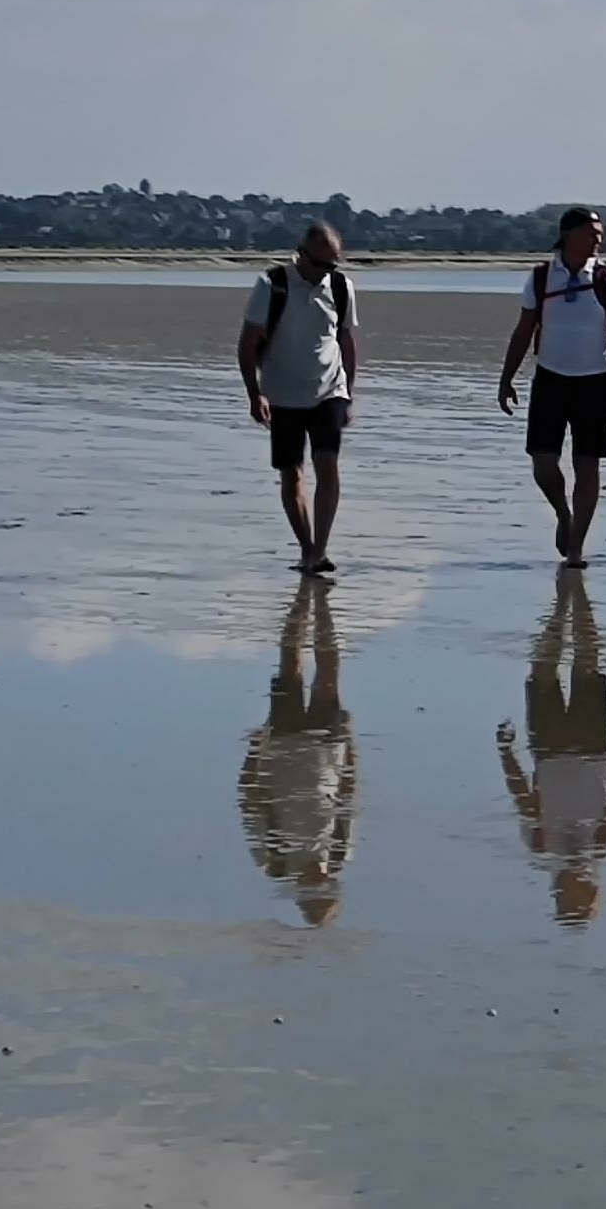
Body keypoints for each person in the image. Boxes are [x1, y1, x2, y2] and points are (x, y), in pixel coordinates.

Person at [495, 568, 606, 926]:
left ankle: (562, 609)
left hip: (547, 748)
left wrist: (506, 755)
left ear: (560, 891)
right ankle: (577, 601)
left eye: (574, 896)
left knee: (542, 670)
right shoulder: (605, 846)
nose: (579, 887)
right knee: (587, 662)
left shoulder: (540, 846)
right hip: (592, 745)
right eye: (586, 895)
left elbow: (523, 798)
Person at [499, 207, 606, 569]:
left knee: (587, 466)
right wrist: (507, 379)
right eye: (591, 232)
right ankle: (564, 513)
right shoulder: (540, 278)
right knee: (543, 465)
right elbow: (523, 332)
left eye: (600, 233)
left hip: (595, 382)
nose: (598, 238)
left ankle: (577, 547)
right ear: (568, 234)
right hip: (550, 379)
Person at [236, 220, 357, 577]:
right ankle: (307, 549)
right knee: (292, 477)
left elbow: (346, 341)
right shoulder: (271, 285)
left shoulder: (340, 286)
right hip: (282, 395)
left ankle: (320, 550)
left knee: (328, 467)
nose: (326, 272)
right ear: (302, 254)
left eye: (333, 265)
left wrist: (349, 392)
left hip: (329, 391)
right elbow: (247, 344)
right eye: (321, 264)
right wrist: (254, 393)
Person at [238, 579, 359, 925]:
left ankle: (302, 599)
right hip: (327, 748)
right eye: (328, 889)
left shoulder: (274, 861)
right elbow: (348, 797)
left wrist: (254, 751)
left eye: (317, 893)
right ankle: (322, 606)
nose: (323, 882)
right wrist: (351, 746)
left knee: (290, 667)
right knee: (329, 674)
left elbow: (249, 800)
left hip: (282, 745)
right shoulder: (339, 854)